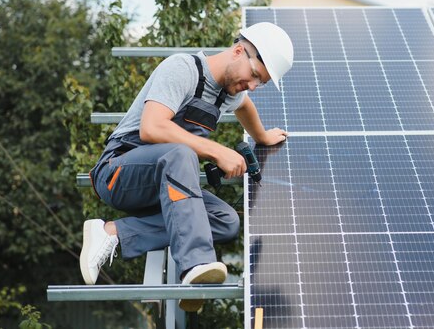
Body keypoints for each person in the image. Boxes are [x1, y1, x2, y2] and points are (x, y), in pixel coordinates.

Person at [79, 22, 293, 311]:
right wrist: (217, 151)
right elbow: (152, 128)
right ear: (239, 51)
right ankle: (196, 267)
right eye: (254, 76)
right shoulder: (183, 69)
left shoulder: (230, 91)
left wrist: (263, 136)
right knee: (181, 154)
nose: (252, 87)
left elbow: (244, 106)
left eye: (260, 83)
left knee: (225, 221)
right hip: (117, 173)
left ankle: (113, 233)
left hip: (162, 188)